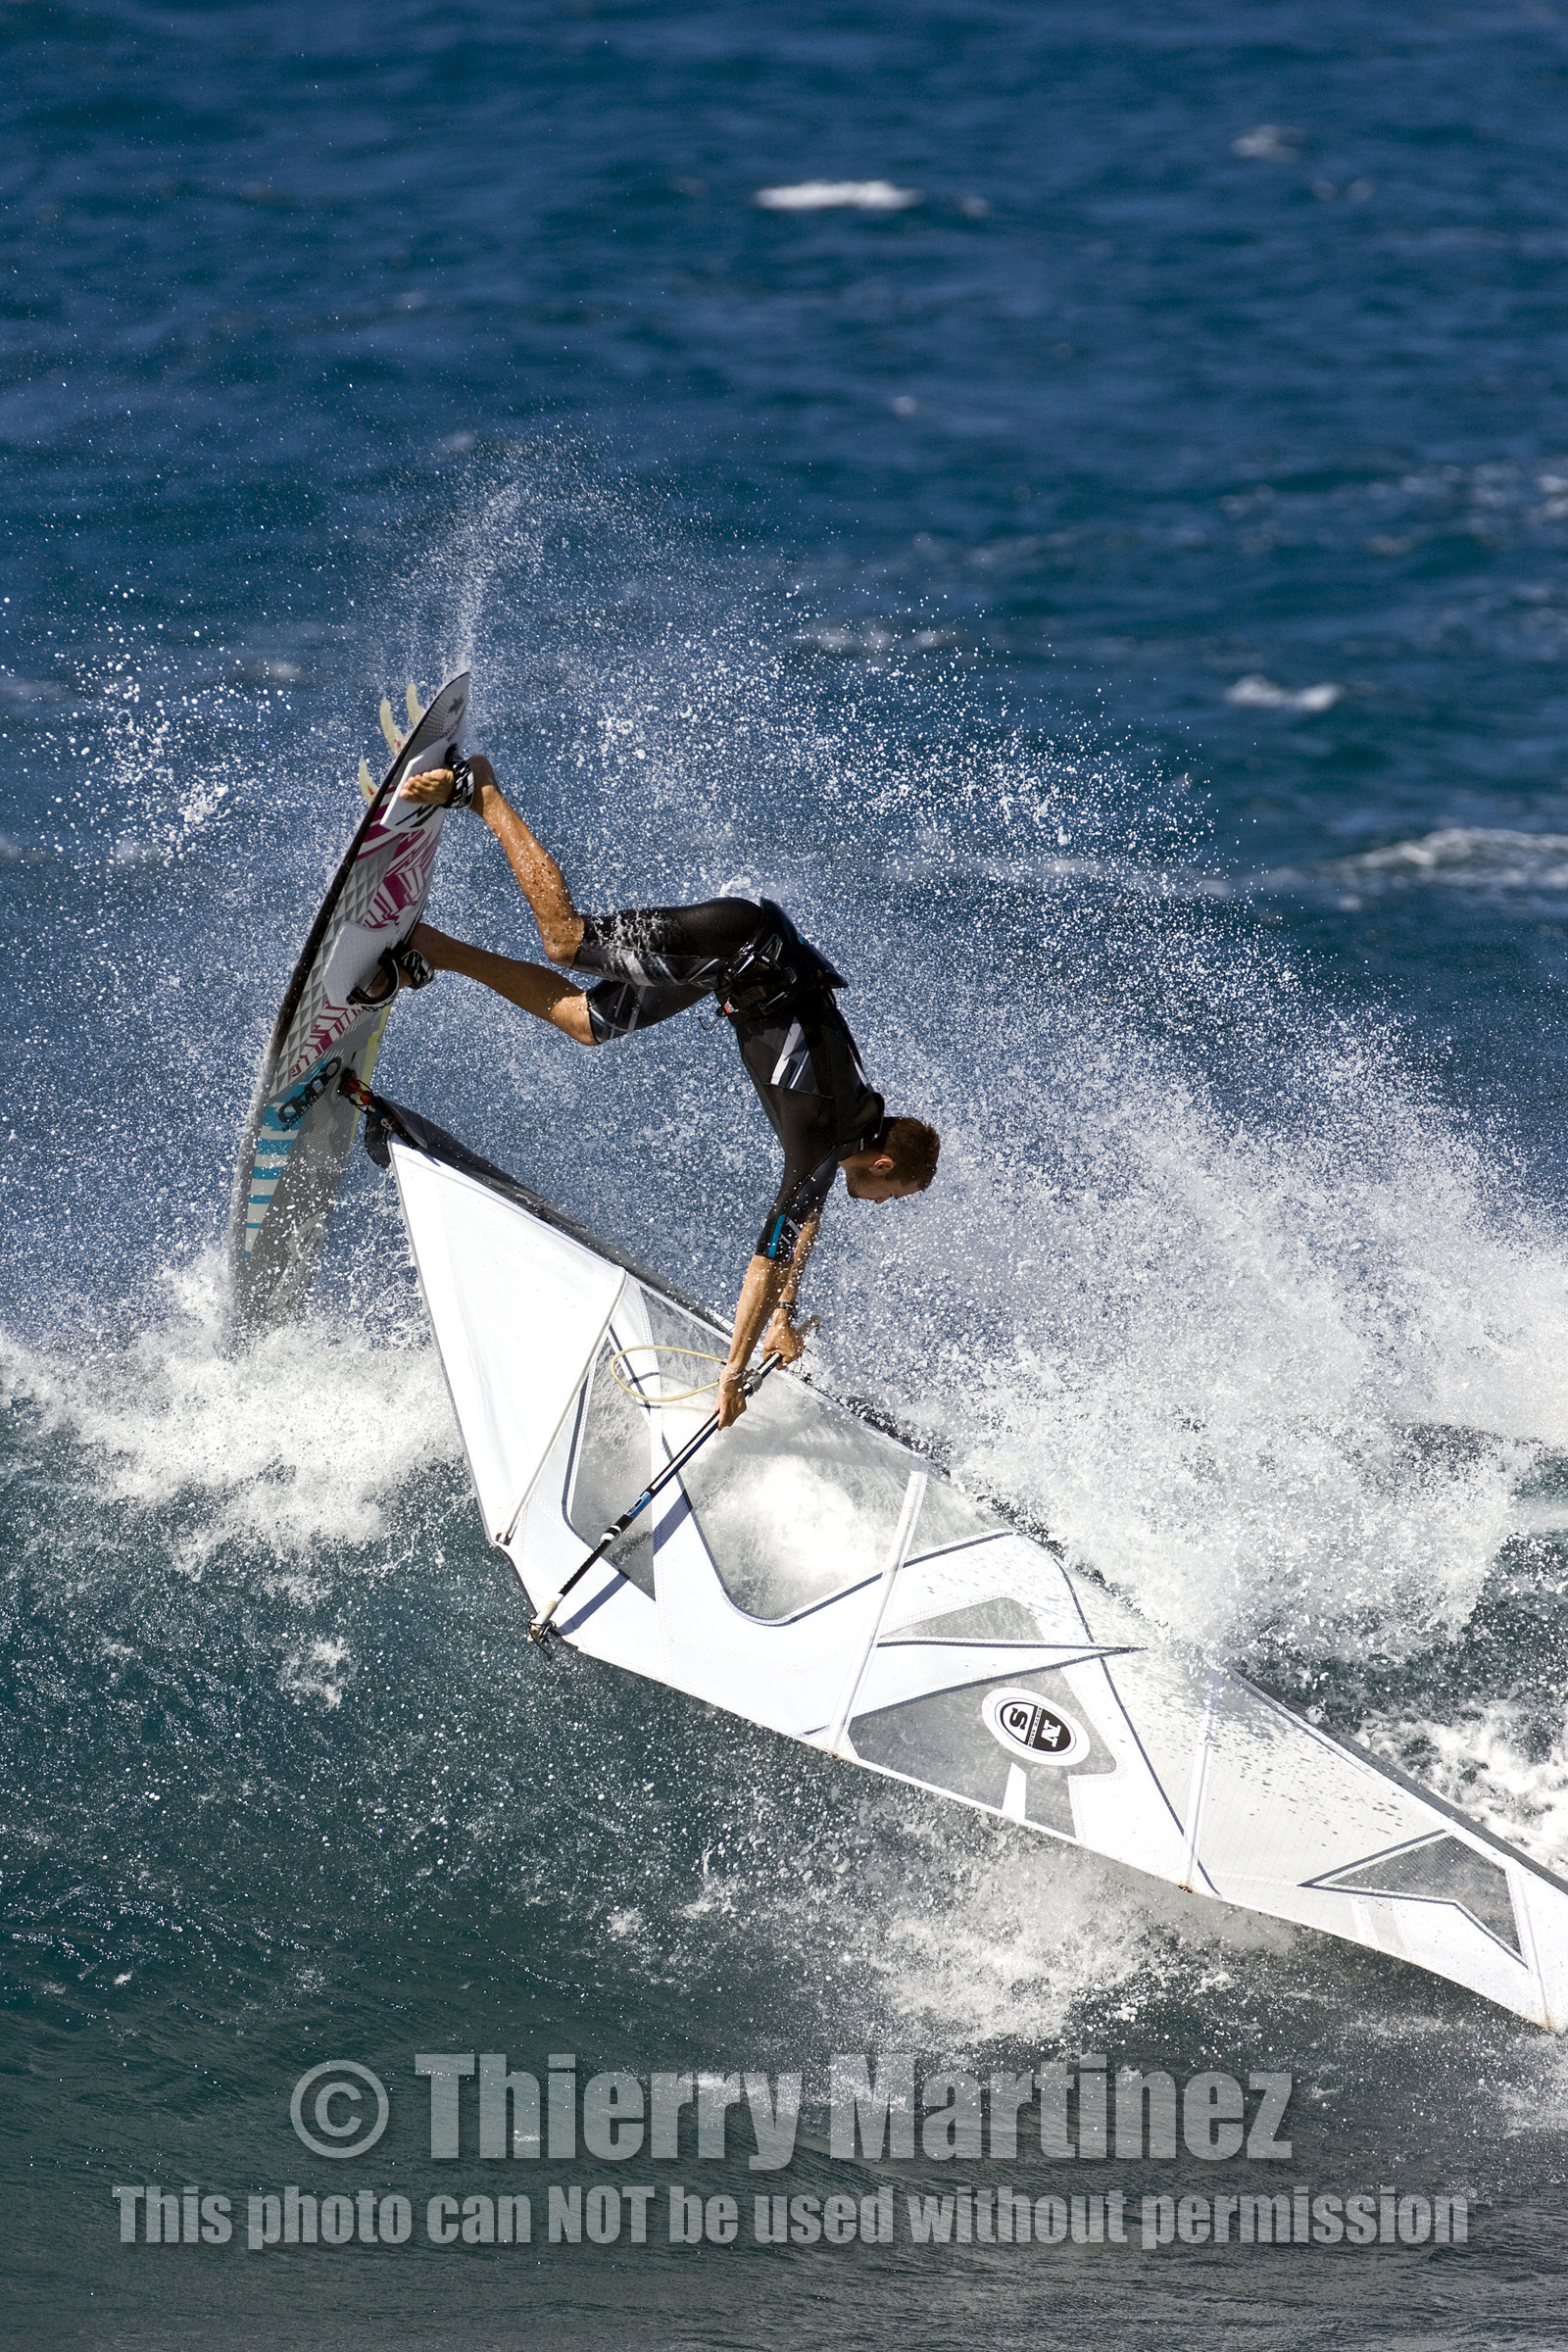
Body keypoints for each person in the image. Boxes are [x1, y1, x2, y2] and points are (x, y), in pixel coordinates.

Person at [368, 752, 939, 1426]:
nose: (884, 1204)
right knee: (565, 940)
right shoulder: (824, 1134)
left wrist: (785, 1317)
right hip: (738, 946)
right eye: (896, 1194)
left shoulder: (851, 1129)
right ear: (883, 1163)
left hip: (734, 973)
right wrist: (732, 1374)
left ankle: (431, 947)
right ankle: (482, 792)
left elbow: (803, 1219)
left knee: (586, 1022)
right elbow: (766, 1261)